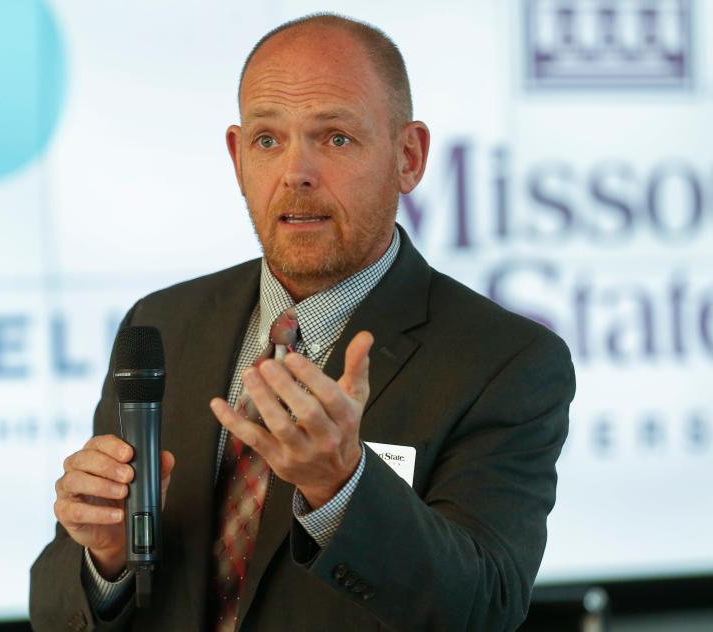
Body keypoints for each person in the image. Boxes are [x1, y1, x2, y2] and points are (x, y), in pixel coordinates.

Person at [30, 13, 575, 632]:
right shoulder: (164, 325)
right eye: (268, 140)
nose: (296, 173)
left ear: (409, 156)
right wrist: (105, 559)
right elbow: (52, 609)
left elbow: (484, 607)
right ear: (237, 158)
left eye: (336, 138)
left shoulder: (505, 361)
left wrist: (342, 488)